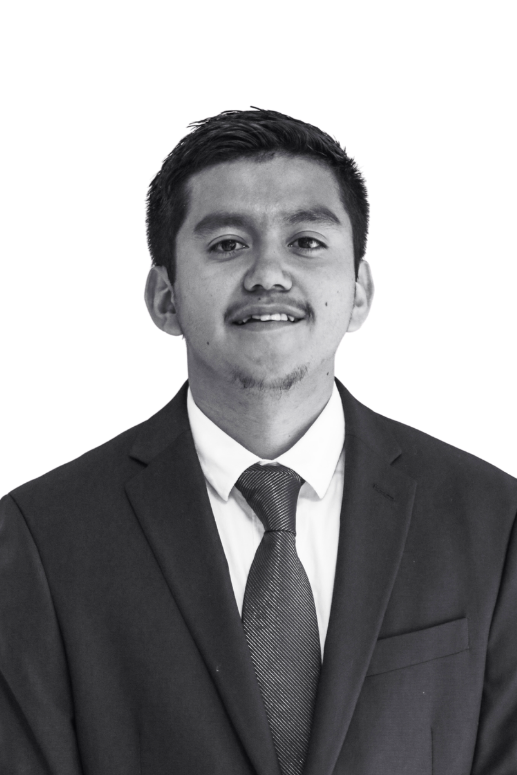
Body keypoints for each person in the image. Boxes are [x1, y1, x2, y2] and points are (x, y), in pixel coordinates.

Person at [0, 108, 515, 775]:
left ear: (360, 290)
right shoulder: (44, 534)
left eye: (305, 241)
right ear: (162, 297)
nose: (268, 273)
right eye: (225, 244)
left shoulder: (488, 517)